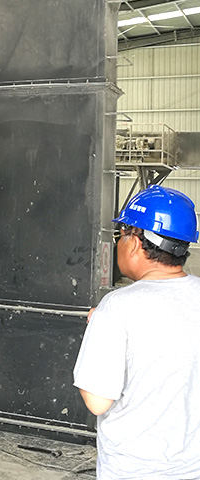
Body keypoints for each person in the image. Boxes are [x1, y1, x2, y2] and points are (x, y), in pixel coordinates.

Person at [74, 185, 200, 479]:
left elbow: (97, 401)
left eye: (121, 233)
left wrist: (98, 333)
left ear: (134, 241)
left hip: (135, 469)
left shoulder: (117, 307)